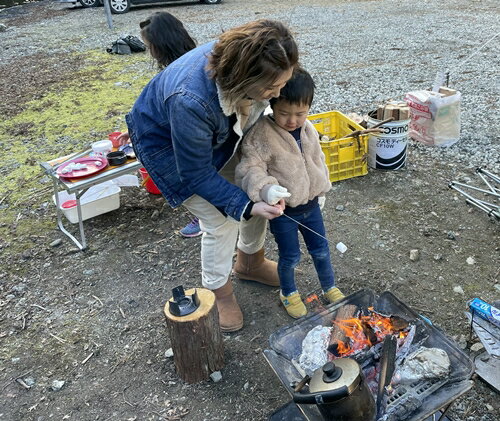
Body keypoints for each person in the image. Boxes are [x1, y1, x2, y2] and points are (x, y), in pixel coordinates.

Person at [125, 20, 299, 331]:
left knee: (258, 189)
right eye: (272, 89)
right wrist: (241, 206)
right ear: (243, 79)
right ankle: (220, 292)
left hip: (218, 128)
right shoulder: (190, 100)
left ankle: (250, 264)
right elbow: (194, 172)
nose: (278, 93)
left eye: (282, 83)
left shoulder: (254, 61)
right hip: (165, 144)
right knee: (221, 218)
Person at [235, 68, 344, 319]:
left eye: (300, 113)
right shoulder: (262, 132)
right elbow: (250, 167)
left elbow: (318, 160)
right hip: (284, 211)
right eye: (284, 113)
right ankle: (289, 292)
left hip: (311, 205)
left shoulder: (309, 130)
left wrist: (321, 187)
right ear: (273, 102)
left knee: (321, 249)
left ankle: (329, 286)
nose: (293, 120)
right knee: (290, 255)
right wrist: (266, 188)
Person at [118, 12, 202, 238]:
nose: (149, 51)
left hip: (196, 133)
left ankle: (205, 217)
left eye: (149, 46)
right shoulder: (190, 57)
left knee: (193, 167)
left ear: (161, 44)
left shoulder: (182, 72)